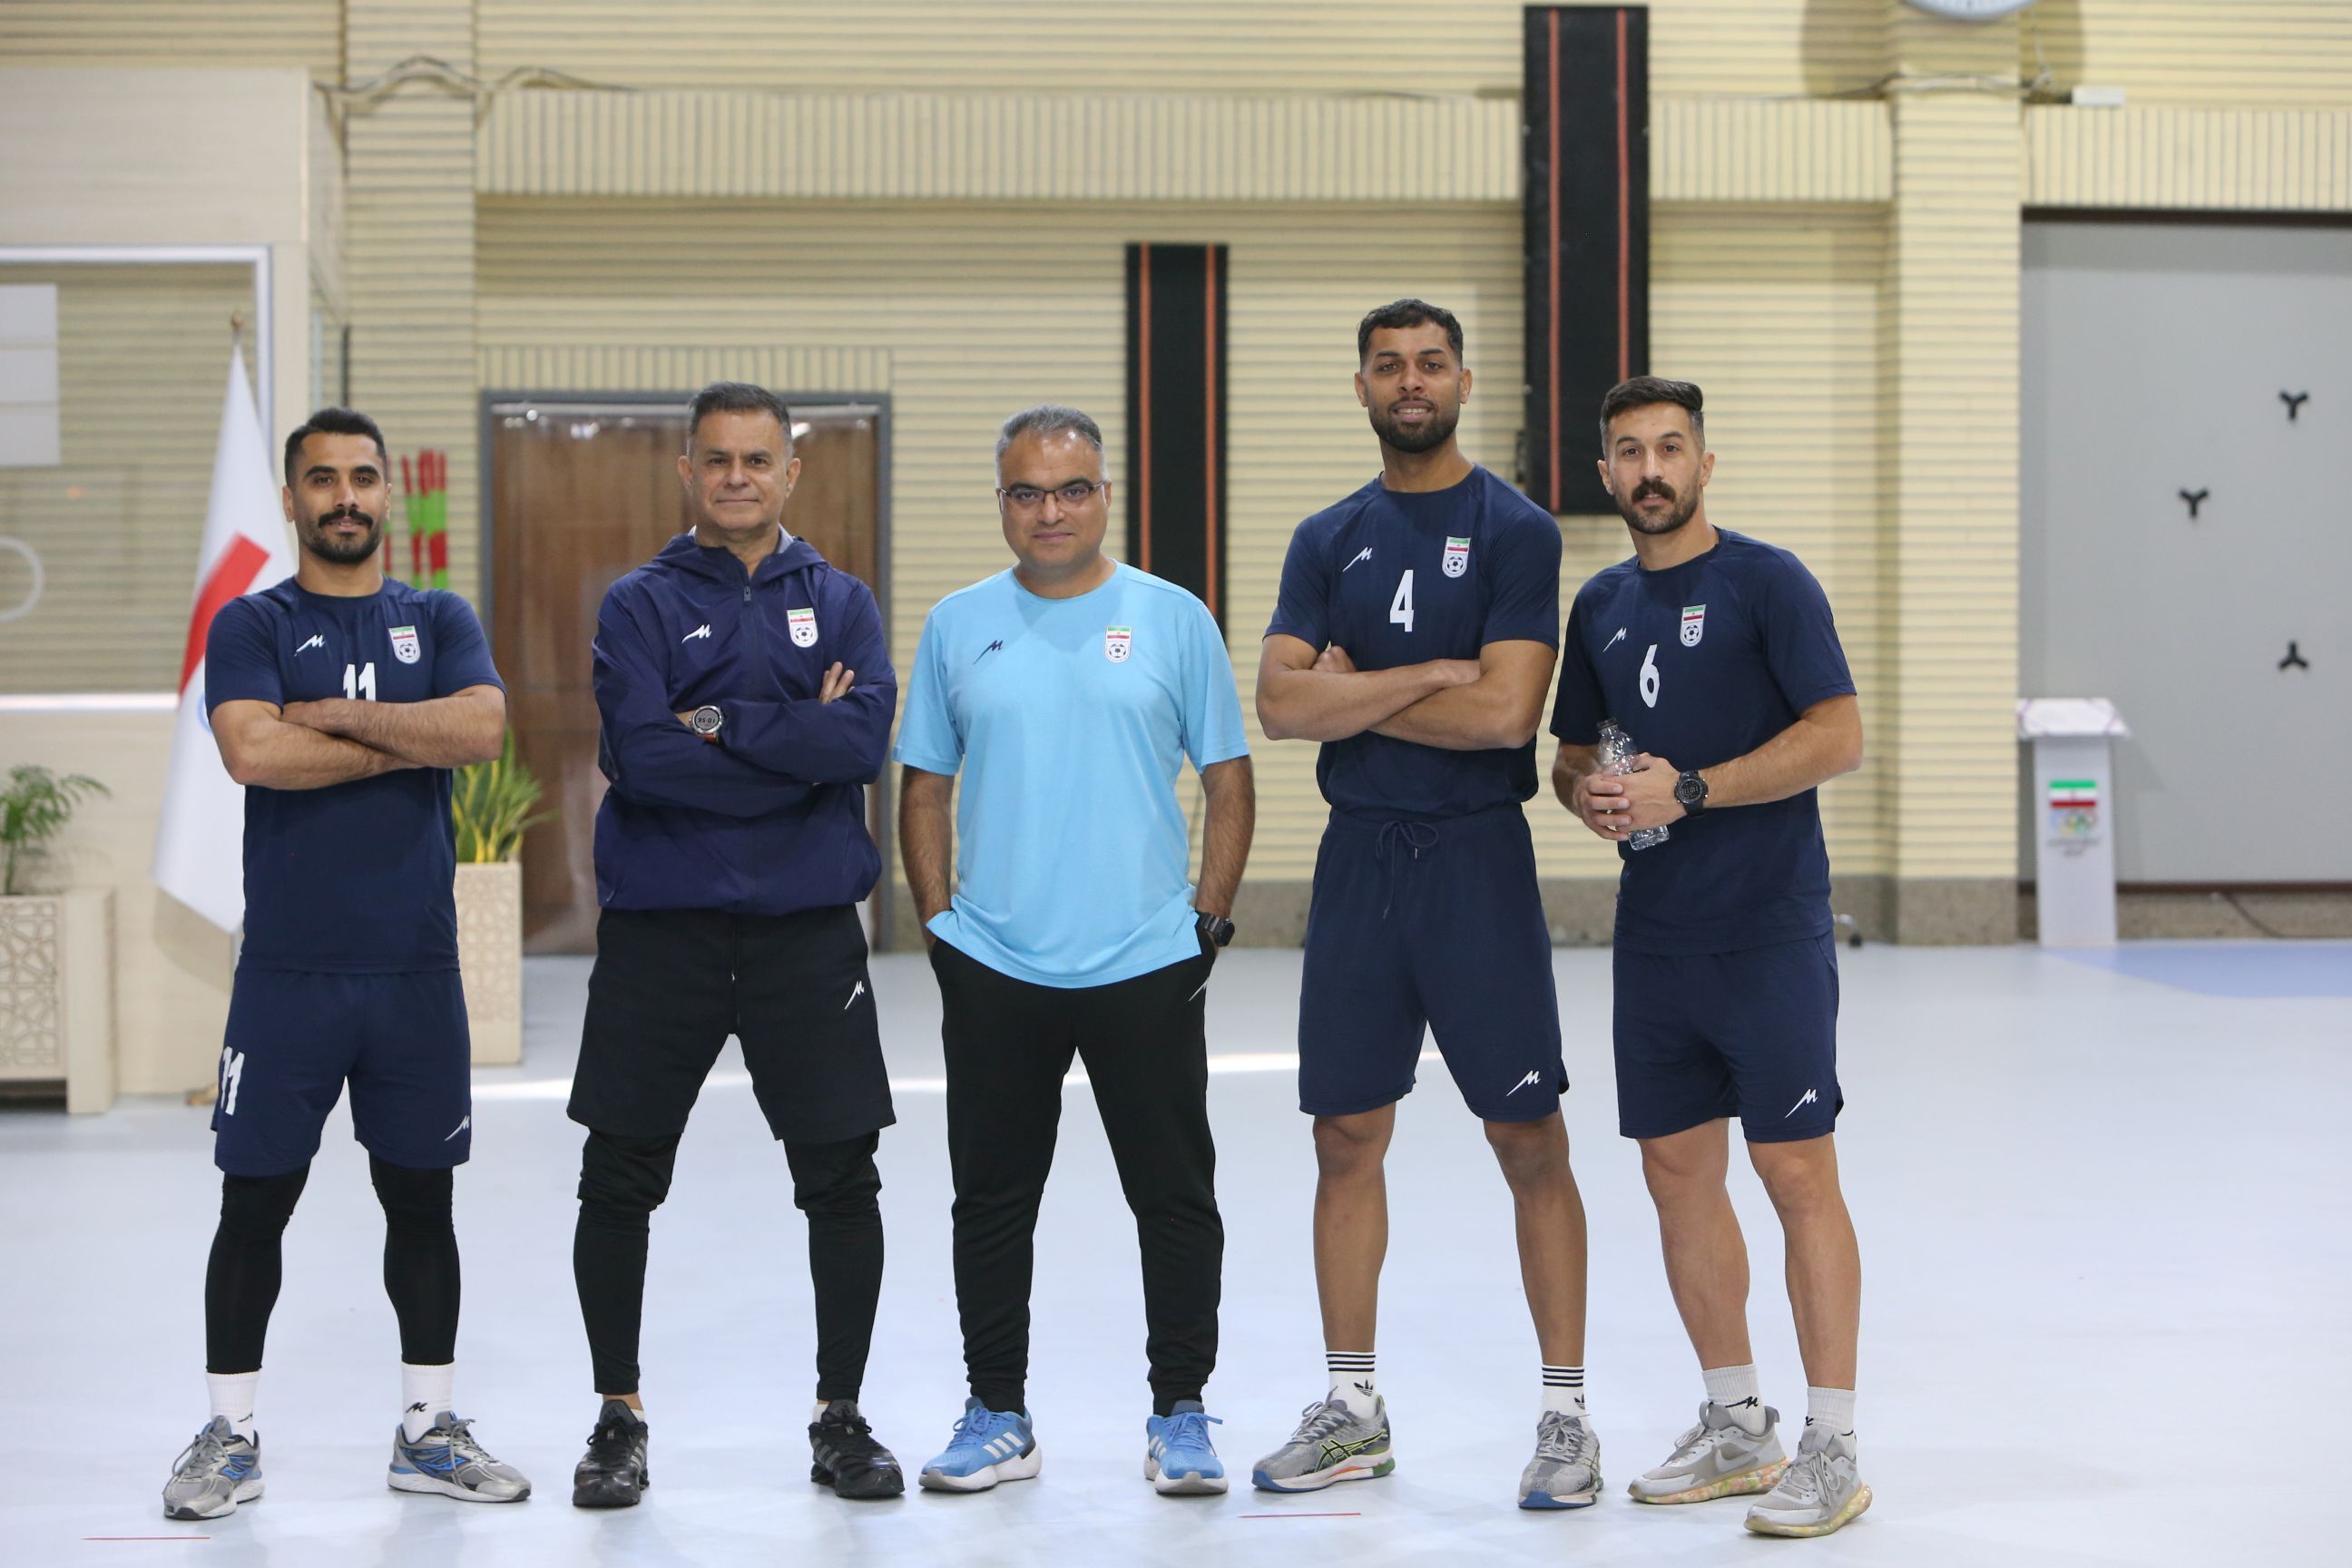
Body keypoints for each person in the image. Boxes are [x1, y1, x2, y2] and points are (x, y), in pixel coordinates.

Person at [1250, 299, 1598, 1511]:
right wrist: (1435, 673)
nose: (1411, 382)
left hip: (1476, 864)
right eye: (1389, 365)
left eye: (1431, 364)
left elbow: (1505, 718)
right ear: (1360, 387)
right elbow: (1279, 706)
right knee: (1344, 1137)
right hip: (1359, 864)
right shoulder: (1326, 535)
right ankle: (1352, 1411)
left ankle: (1566, 1417)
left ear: (1463, 383)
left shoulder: (1517, 530)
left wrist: (1356, 691)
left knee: (1528, 1137)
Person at [163, 406, 526, 1520]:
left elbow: (480, 731)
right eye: (323, 479)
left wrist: (322, 720)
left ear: (386, 494)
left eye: (363, 477)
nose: (346, 497)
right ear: (292, 499)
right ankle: (229, 1435)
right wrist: (398, 733)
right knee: (254, 1204)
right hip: (288, 974)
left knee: (422, 1202)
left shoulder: (439, 616)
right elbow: (250, 750)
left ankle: (428, 1431)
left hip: (414, 972)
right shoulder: (252, 621)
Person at [895, 404, 1254, 1496]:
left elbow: (1229, 779)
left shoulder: (1173, 618)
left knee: (1175, 1200)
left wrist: (1205, 922)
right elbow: (924, 786)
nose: (1049, 511)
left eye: (1071, 490)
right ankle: (997, 1414)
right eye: (1026, 492)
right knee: (991, 1202)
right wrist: (941, 927)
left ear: (1105, 495)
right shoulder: (958, 623)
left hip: (1146, 961)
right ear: (1002, 502)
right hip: (995, 964)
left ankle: (1180, 1413)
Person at [565, 381, 902, 1507]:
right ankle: (618, 1416)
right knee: (618, 1175)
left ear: (791, 472)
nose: (738, 478)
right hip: (662, 931)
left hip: (806, 934)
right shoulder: (639, 603)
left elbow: (859, 746)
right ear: (688, 472)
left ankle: (840, 1416)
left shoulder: (841, 601)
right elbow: (642, 759)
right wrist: (796, 742)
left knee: (841, 1177)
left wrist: (717, 724)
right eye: (718, 459)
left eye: (759, 460)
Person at [1548, 375, 1869, 1538]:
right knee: (1677, 1175)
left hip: (1769, 929)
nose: (1652, 470)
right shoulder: (1600, 604)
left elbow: (1838, 735)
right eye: (1630, 451)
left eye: (1671, 447)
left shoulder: (1769, 582)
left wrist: (1690, 789)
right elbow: (1570, 756)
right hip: (1657, 941)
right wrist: (1589, 795)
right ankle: (1738, 1426)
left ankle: (1832, 1444)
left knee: (1795, 1175)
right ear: (1606, 474)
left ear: (1704, 463)